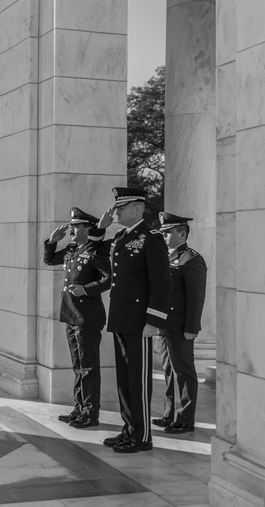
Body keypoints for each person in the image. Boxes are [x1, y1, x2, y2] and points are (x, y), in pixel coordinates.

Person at [97, 187, 172, 453]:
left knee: (138, 381)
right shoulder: (119, 236)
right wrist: (99, 229)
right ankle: (128, 429)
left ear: (138, 209)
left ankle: (142, 437)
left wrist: (154, 320)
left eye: (122, 207)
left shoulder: (151, 238)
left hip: (140, 321)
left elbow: (162, 283)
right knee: (124, 380)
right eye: (117, 207)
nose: (116, 211)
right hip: (121, 317)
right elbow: (98, 259)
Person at [43, 207, 111, 428]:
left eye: (77, 226)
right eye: (72, 225)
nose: (72, 229)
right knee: (78, 366)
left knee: (89, 366)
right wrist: (52, 241)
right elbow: (50, 260)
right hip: (71, 314)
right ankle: (79, 408)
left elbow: (108, 279)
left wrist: (87, 289)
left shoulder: (95, 251)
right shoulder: (73, 249)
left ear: (89, 229)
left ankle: (91, 413)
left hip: (87, 316)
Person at [152, 212, 207, 434]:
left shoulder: (192, 259)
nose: (164, 236)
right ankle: (168, 415)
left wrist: (191, 328)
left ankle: (185, 418)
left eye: (167, 233)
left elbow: (196, 297)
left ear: (182, 233)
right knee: (167, 370)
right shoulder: (164, 257)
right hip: (162, 324)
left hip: (179, 325)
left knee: (183, 372)